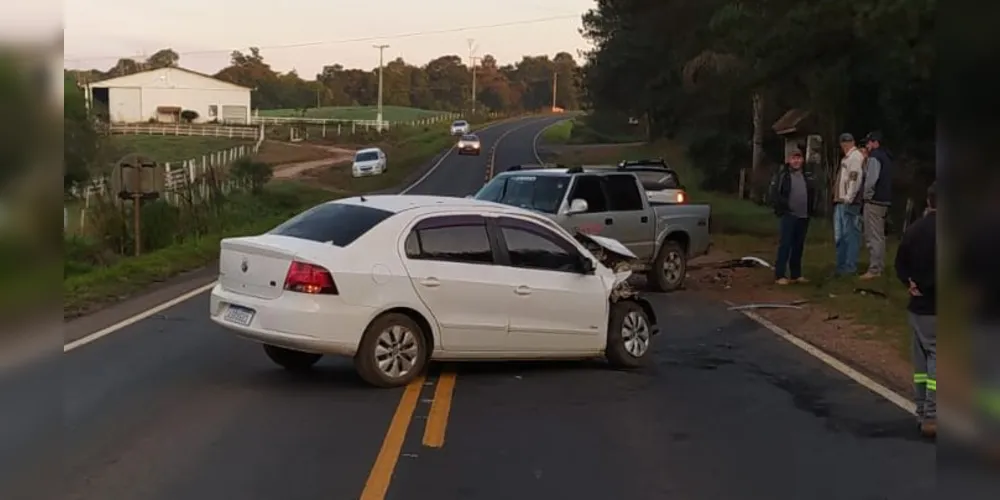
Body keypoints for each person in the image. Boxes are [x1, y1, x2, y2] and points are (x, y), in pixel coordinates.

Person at [894, 182, 936, 438]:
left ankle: (921, 411)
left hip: (917, 307)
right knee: (938, 360)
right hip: (939, 307)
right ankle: (933, 415)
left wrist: (910, 282)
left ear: (929, 202)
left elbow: (900, 264)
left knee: (921, 361)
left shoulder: (914, 230)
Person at [769, 149, 815, 285]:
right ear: (788, 160)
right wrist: (783, 207)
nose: (796, 161)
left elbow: (813, 192)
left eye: (798, 158)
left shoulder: (807, 175)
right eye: (793, 158)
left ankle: (796, 274)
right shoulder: (783, 175)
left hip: (804, 216)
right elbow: (775, 194)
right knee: (785, 244)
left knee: (798, 246)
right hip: (789, 215)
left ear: (802, 160)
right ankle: (780, 275)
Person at [861, 131, 893, 279]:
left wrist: (866, 196)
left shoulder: (875, 157)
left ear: (875, 143)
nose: (866, 146)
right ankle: (879, 266)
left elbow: (871, 180)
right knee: (879, 236)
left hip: (874, 201)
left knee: (873, 235)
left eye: (868, 143)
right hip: (885, 200)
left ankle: (874, 269)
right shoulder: (887, 157)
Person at [833, 133, 865, 276]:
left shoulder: (855, 157)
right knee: (840, 236)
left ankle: (849, 266)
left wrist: (849, 197)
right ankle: (841, 265)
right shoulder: (848, 158)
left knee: (850, 234)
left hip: (848, 202)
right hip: (841, 201)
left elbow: (854, 178)